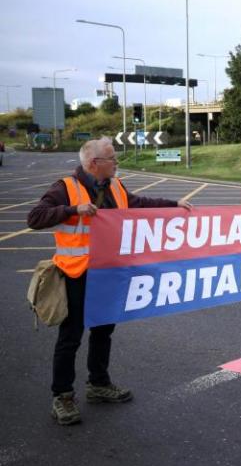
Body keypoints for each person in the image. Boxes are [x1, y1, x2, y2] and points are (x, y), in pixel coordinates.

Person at [27, 136, 193, 426]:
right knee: (71, 337)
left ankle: (98, 384)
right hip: (76, 274)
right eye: (112, 158)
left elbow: (138, 204)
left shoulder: (115, 185)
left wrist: (174, 204)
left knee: (104, 331)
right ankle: (63, 396)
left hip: (107, 274)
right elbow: (35, 217)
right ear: (95, 163)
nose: (117, 163)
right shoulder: (65, 188)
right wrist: (71, 210)